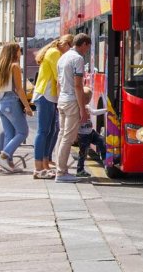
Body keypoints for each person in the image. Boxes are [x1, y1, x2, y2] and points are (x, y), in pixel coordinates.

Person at [31, 34, 73, 179]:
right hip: (46, 95)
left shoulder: (53, 51)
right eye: (70, 47)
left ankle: (44, 163)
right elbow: (59, 77)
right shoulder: (55, 53)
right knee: (43, 131)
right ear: (66, 44)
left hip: (47, 95)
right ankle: (38, 167)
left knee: (49, 130)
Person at [54, 33, 92, 183]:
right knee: (68, 139)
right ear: (83, 44)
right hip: (71, 102)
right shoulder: (78, 59)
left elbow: (58, 83)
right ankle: (61, 173)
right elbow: (78, 85)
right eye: (87, 48)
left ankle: (60, 169)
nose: (86, 51)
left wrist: (59, 100)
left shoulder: (62, 57)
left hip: (62, 100)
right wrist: (82, 109)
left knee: (61, 136)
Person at [0, 43, 34, 173]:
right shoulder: (14, 66)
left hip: (0, 102)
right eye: (19, 50)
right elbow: (19, 89)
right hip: (11, 102)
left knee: (10, 134)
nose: (20, 53)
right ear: (14, 52)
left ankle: (8, 163)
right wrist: (27, 106)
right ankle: (4, 156)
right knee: (23, 132)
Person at [75, 87, 107, 178]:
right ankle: (80, 170)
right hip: (83, 135)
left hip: (91, 132)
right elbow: (74, 122)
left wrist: (105, 110)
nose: (89, 100)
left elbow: (94, 112)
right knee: (83, 153)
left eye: (89, 98)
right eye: (87, 98)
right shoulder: (77, 108)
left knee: (101, 140)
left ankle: (104, 158)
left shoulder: (88, 107)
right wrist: (75, 134)